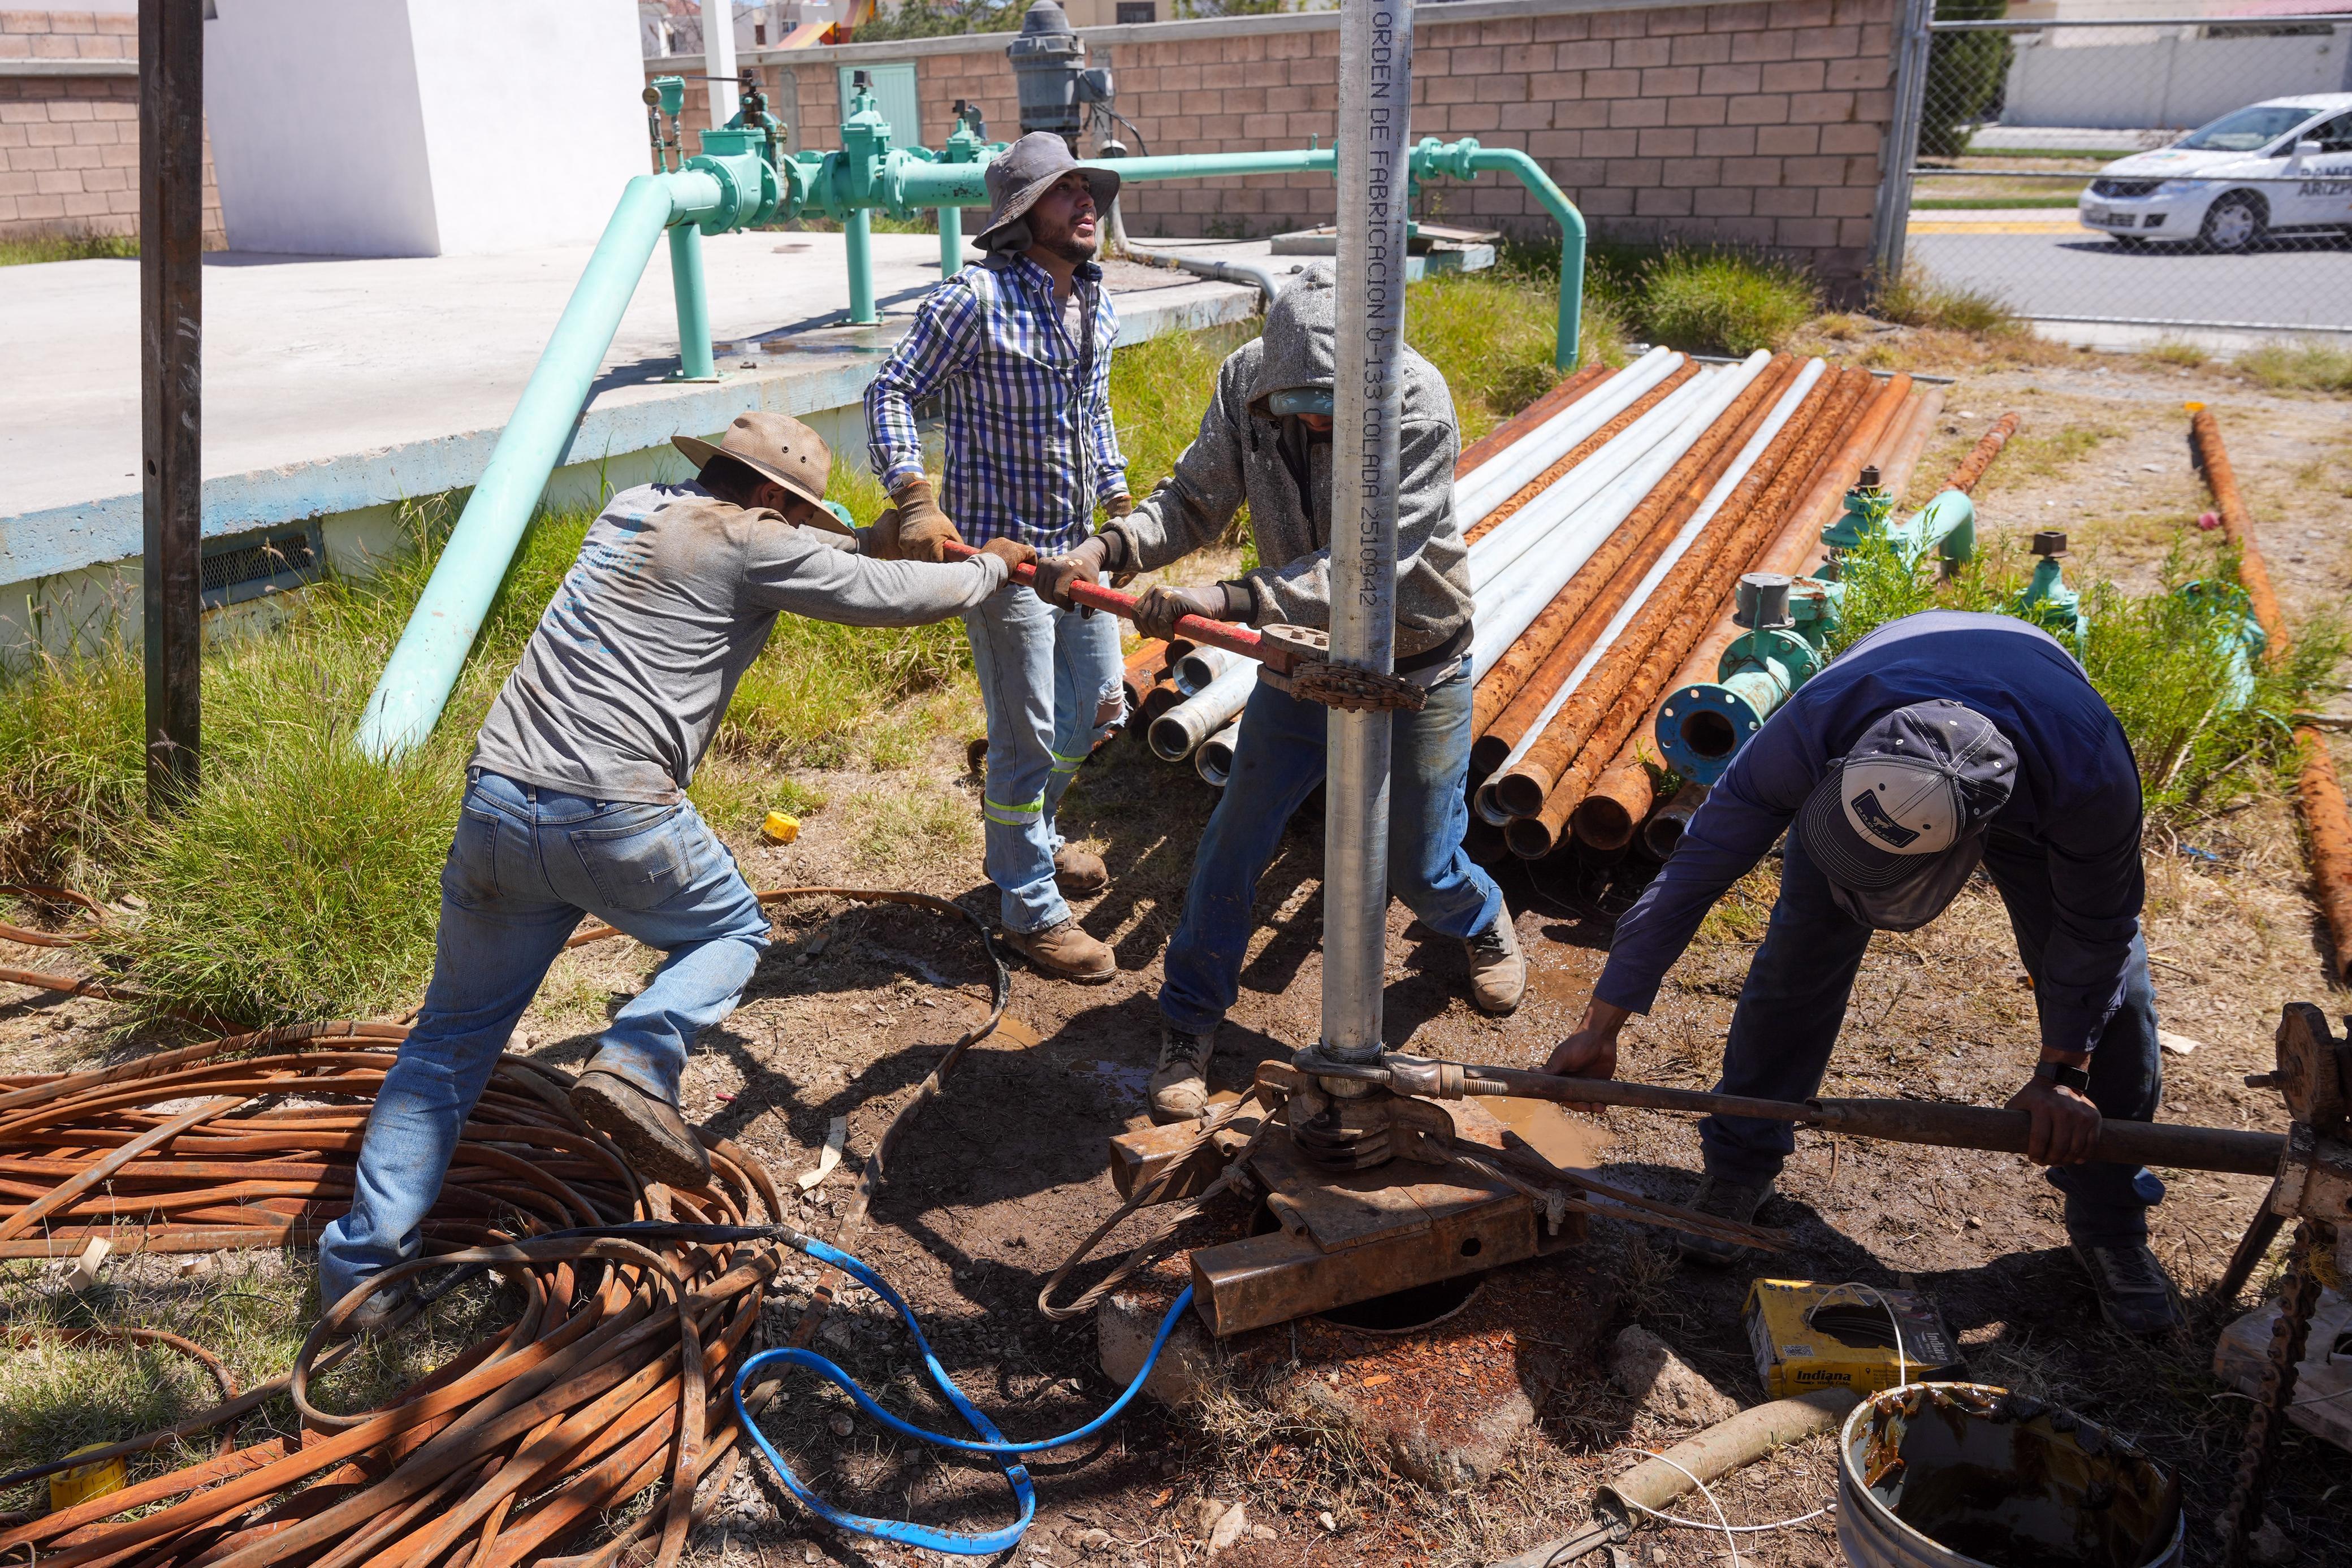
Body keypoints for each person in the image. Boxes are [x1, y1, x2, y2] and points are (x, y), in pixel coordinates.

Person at [317, 413, 1034, 1325]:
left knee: (447, 1041)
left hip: (498, 795)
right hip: (612, 810)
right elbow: (888, 597)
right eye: (797, 515)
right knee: (733, 926)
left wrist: (868, 539)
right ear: (774, 498)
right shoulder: (753, 543)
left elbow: (811, 562)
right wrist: (990, 568)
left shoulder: (628, 508)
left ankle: (361, 1278)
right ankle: (638, 1058)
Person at [1542, 609, 2181, 1335]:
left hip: (2042, 763)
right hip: (1882, 726)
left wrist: (2063, 1073)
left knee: (2117, 997)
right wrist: (1601, 1023)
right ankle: (1737, 1166)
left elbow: (2095, 933)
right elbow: (1694, 869)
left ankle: (2110, 1223)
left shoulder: (2089, 779)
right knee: (1798, 956)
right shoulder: (1817, 725)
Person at [1034, 263, 1527, 1123]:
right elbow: (1192, 500)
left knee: (1420, 862)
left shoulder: (1415, 399)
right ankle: (1187, 1022)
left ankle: (1479, 917)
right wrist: (1108, 550)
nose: (1313, 419)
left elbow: (1369, 569)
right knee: (1234, 838)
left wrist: (1225, 599)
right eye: (1298, 402)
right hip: (1304, 664)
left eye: (1332, 405)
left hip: (1416, 662)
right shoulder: (1245, 381)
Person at [864, 132, 1132, 984]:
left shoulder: (1098, 300)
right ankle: (1028, 907)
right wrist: (913, 495)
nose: (1086, 202)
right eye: (1066, 193)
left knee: (1095, 709)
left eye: (1088, 188)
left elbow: (1093, 413)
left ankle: (1040, 835)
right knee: (1027, 735)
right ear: (1023, 218)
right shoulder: (973, 300)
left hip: (1076, 554)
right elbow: (891, 388)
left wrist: (1122, 505)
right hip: (1001, 559)